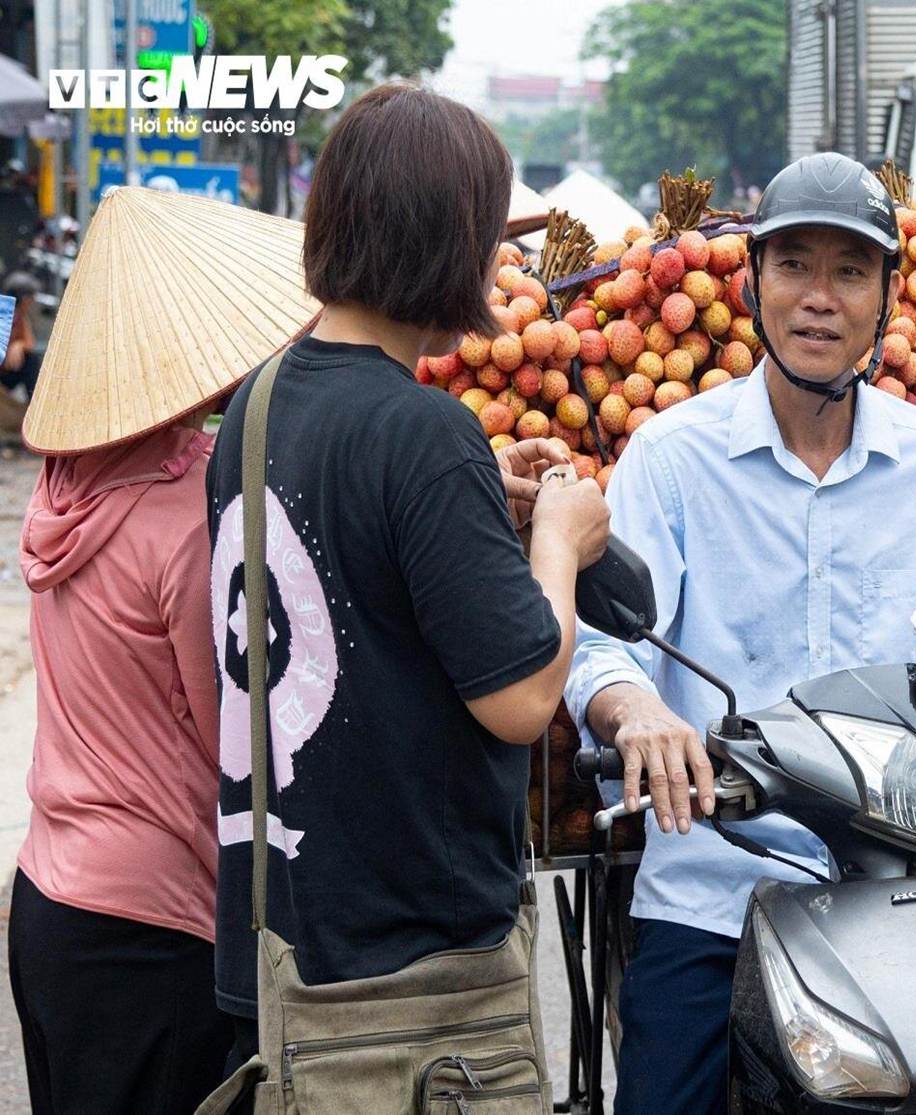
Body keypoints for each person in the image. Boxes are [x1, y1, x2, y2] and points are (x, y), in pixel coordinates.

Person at [565, 152, 916, 1115]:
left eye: (850, 272)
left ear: (889, 296)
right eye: (794, 267)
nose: (819, 299)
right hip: (714, 890)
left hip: (893, 891)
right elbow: (603, 644)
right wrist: (635, 707)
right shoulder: (673, 458)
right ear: (751, 283)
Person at [206, 82, 610, 1060]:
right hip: (407, 969)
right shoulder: (425, 430)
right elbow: (519, 695)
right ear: (447, 245)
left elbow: (357, 573)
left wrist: (473, 501)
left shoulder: (258, 403)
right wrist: (558, 537)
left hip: (284, 933)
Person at [9, 185, 319, 1114]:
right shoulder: (184, 517)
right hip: (153, 921)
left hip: (48, 902)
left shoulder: (64, 490)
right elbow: (235, 729)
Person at [0, 270, 43, 401]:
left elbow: (30, 344)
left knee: (31, 359)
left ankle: (35, 403)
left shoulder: (20, 317)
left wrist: (19, 345)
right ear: (25, 299)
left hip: (7, 374)